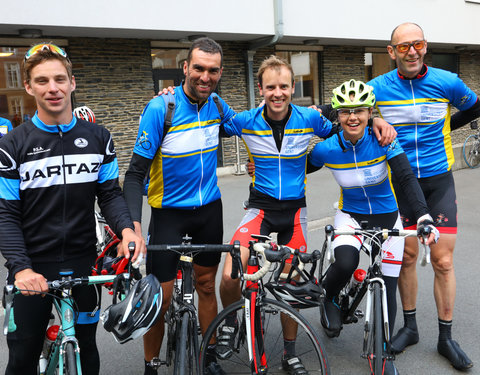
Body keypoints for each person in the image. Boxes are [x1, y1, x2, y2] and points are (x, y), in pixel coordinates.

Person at [217, 56, 395, 375]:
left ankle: (289, 352)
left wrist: (376, 121)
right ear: (261, 89)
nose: (278, 93)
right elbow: (210, 119)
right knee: (231, 268)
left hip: (294, 212)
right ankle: (231, 321)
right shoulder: (245, 120)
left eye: (284, 86)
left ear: (293, 87)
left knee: (293, 281)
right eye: (271, 87)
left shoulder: (310, 120)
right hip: (260, 208)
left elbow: (347, 123)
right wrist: (173, 96)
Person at [0, 43, 145, 375]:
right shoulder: (11, 147)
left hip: (82, 262)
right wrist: (21, 269)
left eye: (59, 79)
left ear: (72, 82)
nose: (53, 88)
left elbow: (109, 195)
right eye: (42, 81)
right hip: (31, 265)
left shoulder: (99, 138)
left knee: (88, 348)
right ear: (28, 86)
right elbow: (5, 213)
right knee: (22, 356)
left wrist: (126, 230)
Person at [368, 23, 480, 371]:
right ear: (392, 52)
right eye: (403, 47)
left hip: (438, 181)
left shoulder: (447, 81)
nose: (411, 51)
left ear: (425, 46)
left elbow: (475, 107)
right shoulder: (377, 88)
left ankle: (446, 337)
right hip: (400, 182)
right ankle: (411, 326)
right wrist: (372, 118)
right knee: (406, 258)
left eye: (416, 44)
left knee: (443, 262)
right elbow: (344, 112)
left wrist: (449, 126)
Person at [123, 37, 237, 375]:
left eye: (213, 70)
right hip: (168, 213)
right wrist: (134, 226)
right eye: (199, 68)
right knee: (162, 300)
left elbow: (255, 122)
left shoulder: (217, 106)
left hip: (208, 211)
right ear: (185, 68)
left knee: (205, 285)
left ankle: (211, 355)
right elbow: (134, 175)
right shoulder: (162, 108)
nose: (205, 76)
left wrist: (338, 117)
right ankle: (151, 366)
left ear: (220, 73)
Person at [311, 79, 437, 375]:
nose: (352, 117)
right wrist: (261, 166)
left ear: (370, 113)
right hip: (350, 216)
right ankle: (329, 297)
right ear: (337, 115)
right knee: (346, 261)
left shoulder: (384, 141)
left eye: (359, 111)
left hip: (387, 217)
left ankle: (384, 353)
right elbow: (295, 166)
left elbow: (406, 178)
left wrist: (423, 216)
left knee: (388, 286)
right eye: (345, 112)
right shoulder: (327, 148)